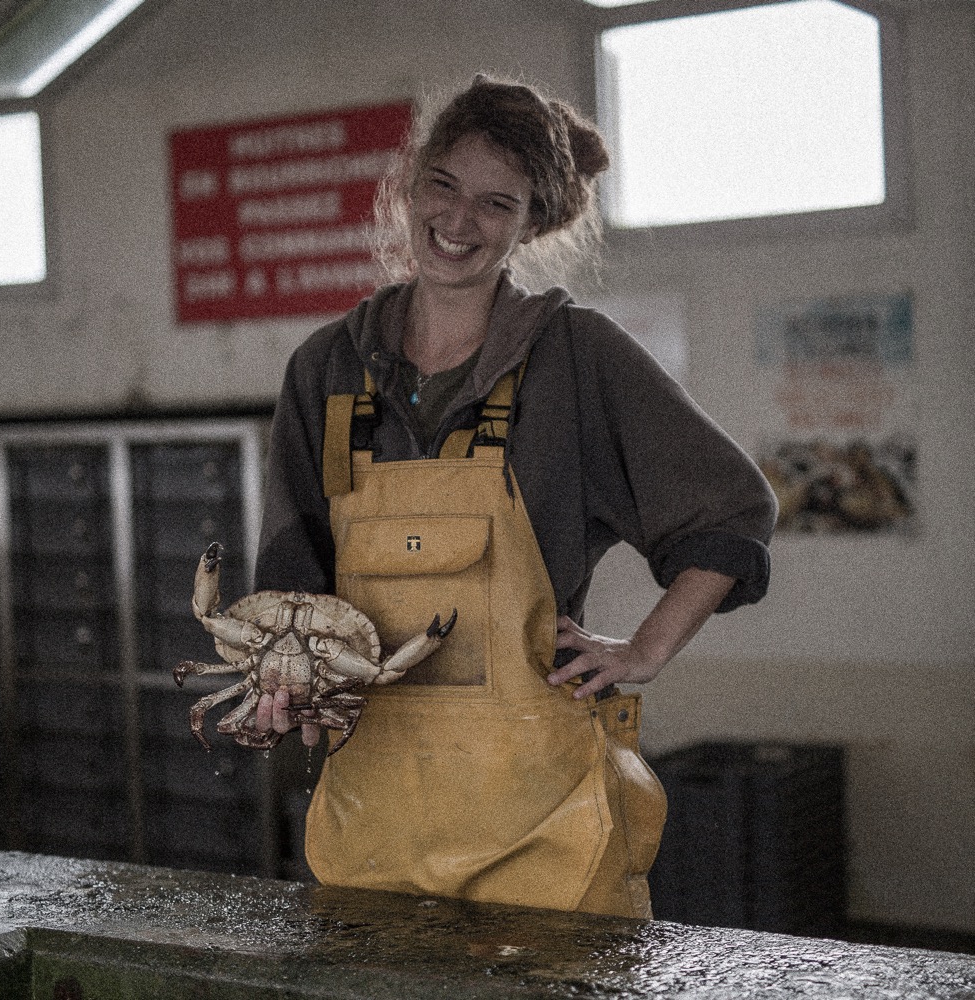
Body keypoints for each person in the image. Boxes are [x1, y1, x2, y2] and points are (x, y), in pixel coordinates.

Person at [251, 75, 778, 919]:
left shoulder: (577, 357)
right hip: (374, 820)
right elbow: (291, 576)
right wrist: (294, 674)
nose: (459, 223)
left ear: (532, 222)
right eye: (445, 187)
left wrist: (642, 653)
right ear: (411, 183)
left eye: (497, 203)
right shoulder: (326, 369)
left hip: (545, 824)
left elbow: (731, 507)